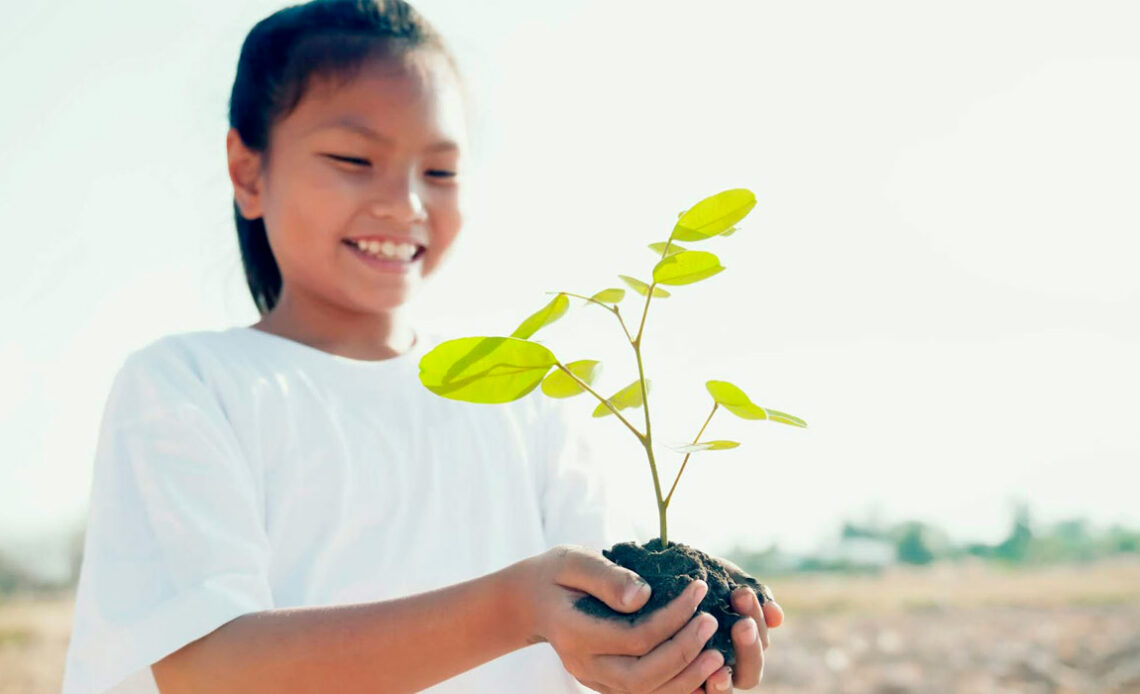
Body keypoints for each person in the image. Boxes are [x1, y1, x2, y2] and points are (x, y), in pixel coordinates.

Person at [60, 1, 783, 692]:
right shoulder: (190, 386)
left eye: (439, 171)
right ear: (249, 172)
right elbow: (208, 671)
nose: (405, 203)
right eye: (353, 158)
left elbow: (594, 643)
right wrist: (510, 608)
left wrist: (667, 653)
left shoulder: (524, 401)